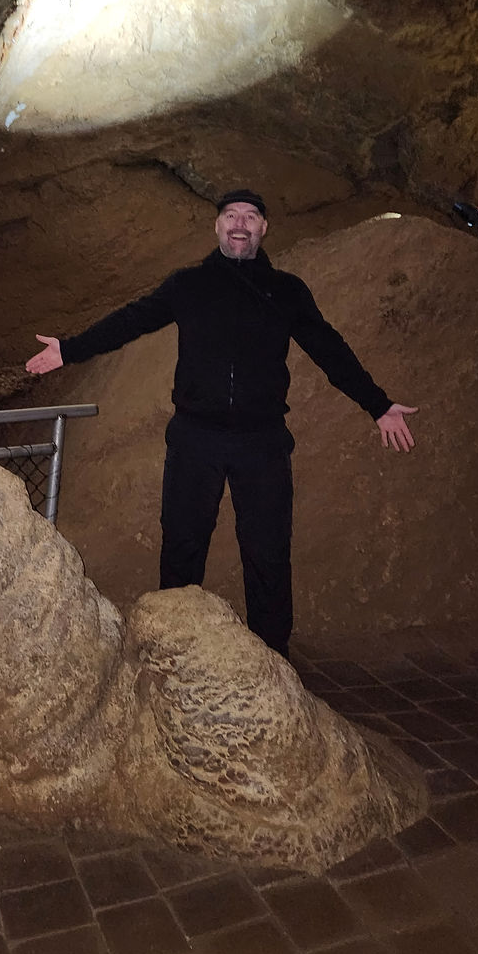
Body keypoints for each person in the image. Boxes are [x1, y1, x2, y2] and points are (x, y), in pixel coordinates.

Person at [25, 188, 417, 661]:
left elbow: (329, 350)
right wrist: (69, 349)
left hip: (263, 441)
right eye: (231, 215)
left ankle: (273, 662)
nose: (239, 223)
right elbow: (132, 321)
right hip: (196, 438)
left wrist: (377, 405)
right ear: (217, 227)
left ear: (263, 229)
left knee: (268, 553)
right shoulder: (188, 286)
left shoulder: (287, 291)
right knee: (183, 546)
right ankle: (171, 652)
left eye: (250, 216)